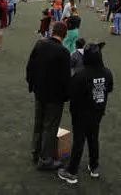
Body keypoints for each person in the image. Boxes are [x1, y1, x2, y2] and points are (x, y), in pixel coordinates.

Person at [58, 42, 113, 184]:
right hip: (98, 112)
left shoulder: (81, 75)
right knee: (93, 138)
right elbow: (109, 89)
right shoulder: (107, 73)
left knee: (79, 141)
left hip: (81, 114)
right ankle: (94, 167)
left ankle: (72, 172)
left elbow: (69, 94)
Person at [26, 22, 71, 170]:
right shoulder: (63, 52)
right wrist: (66, 96)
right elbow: (66, 78)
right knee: (50, 127)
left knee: (38, 123)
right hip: (54, 97)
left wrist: (31, 84)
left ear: (52, 31)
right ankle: (45, 159)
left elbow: (30, 66)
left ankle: (36, 152)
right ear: (64, 35)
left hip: (40, 92)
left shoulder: (40, 44)